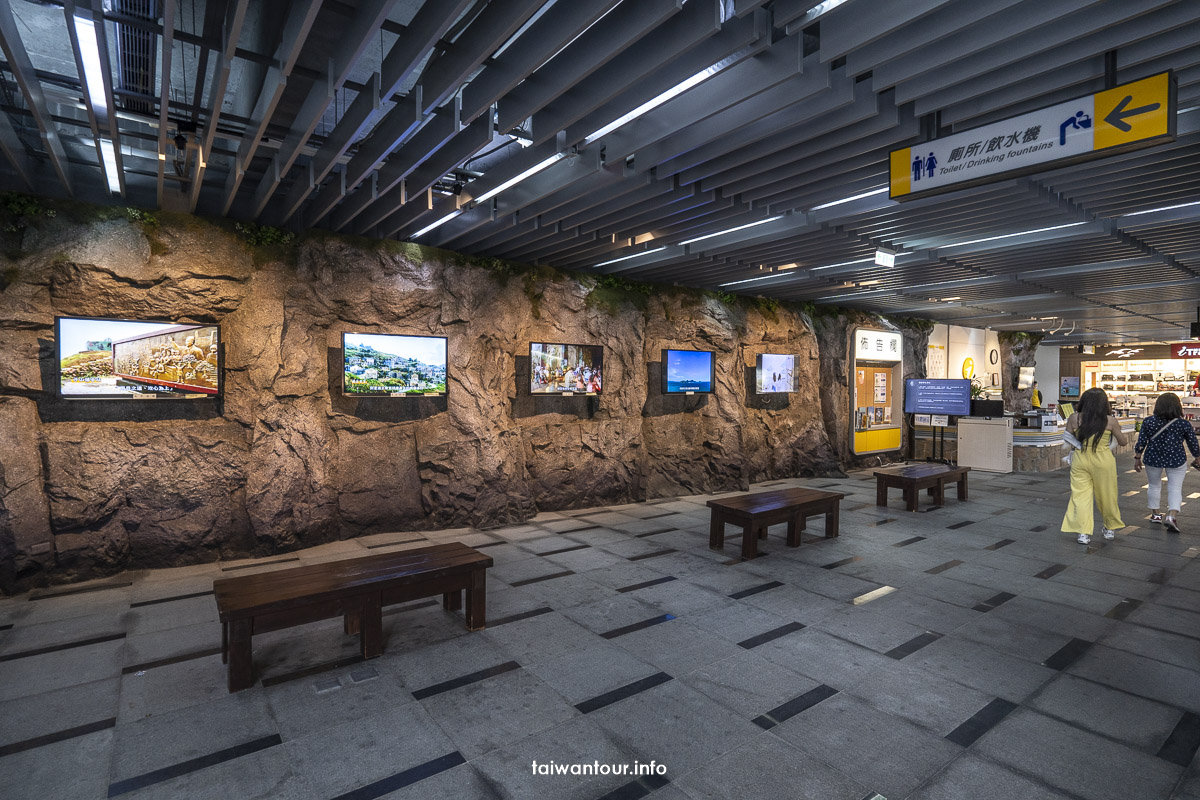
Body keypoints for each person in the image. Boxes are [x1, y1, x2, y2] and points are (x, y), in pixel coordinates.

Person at [1061, 388, 1128, 544]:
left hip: (1080, 458)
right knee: (1107, 494)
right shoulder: (1110, 421)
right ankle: (1109, 529)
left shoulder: (1074, 418)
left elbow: (1067, 436)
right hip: (1103, 460)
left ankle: (1083, 533)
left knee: (1080, 496)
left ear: (1083, 401)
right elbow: (1123, 441)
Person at [1133, 392, 1200, 533]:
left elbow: (1142, 441)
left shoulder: (1148, 421)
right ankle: (1171, 516)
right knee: (1175, 487)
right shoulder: (1183, 423)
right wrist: (1197, 456)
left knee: (1153, 485)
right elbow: (1193, 443)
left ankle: (1156, 514)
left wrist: (1137, 457)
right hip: (1176, 458)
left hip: (1153, 457)